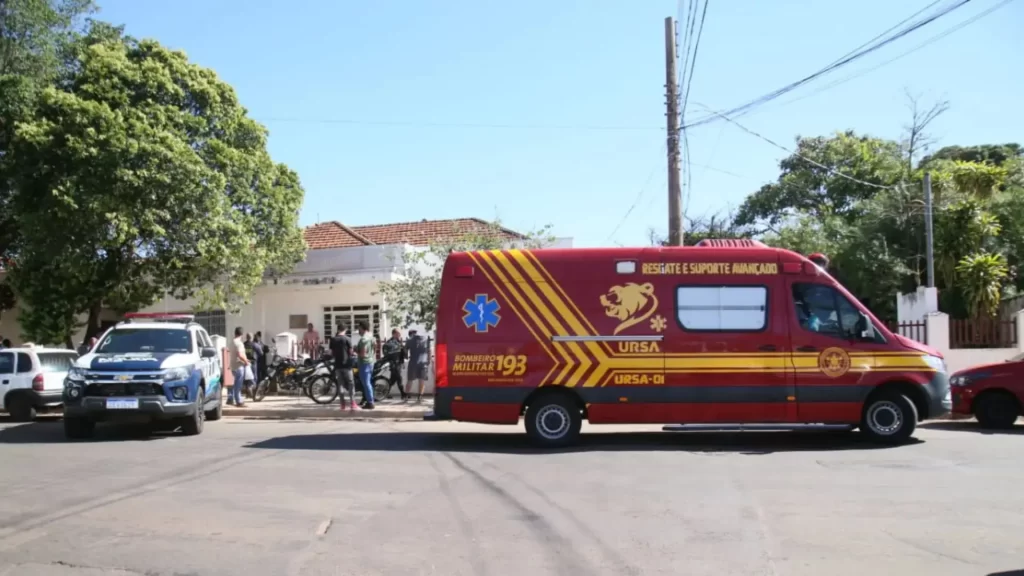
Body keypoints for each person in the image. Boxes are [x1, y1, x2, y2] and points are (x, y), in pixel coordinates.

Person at [329, 325, 356, 410]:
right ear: (346, 329)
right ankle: (352, 403)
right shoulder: (347, 339)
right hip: (347, 365)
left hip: (337, 365)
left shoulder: (333, 339)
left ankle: (342, 404)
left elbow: (332, 353)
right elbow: (351, 352)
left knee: (340, 384)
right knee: (351, 383)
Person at [354, 321, 376, 410]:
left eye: (359, 328)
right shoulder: (371, 337)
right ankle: (369, 401)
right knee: (368, 383)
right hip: (370, 362)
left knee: (366, 383)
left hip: (364, 363)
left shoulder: (363, 339)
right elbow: (375, 347)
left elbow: (362, 354)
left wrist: (355, 350)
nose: (358, 330)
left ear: (362, 328)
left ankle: (370, 402)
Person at [404, 329, 430, 403]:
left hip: (413, 362)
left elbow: (405, 351)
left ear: (410, 334)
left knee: (410, 380)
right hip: (423, 362)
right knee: (421, 380)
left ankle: (406, 396)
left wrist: (406, 356)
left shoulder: (409, 340)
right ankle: (420, 397)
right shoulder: (425, 338)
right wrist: (428, 360)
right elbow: (429, 350)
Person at [382, 329, 407, 400]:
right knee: (399, 378)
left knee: (392, 380)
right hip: (394, 364)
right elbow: (387, 354)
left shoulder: (398, 342)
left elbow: (402, 352)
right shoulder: (390, 343)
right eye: (398, 333)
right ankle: (403, 394)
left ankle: (384, 392)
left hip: (398, 363)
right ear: (394, 334)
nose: (400, 335)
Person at [229, 326, 248, 407]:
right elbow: (239, 354)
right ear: (242, 334)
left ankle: (231, 399)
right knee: (238, 385)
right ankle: (238, 401)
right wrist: (246, 361)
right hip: (239, 366)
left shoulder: (232, 342)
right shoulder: (239, 343)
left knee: (234, 384)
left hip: (233, 365)